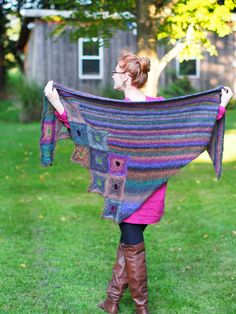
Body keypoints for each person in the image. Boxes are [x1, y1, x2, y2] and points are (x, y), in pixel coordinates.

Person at [44, 54, 233, 314]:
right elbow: (86, 132)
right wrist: (57, 102)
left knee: (132, 246)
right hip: (124, 190)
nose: (111, 75)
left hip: (148, 190)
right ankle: (111, 302)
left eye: (115, 71)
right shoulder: (116, 113)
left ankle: (140, 308)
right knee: (129, 242)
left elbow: (189, 130)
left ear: (126, 77)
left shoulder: (158, 108)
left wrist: (219, 105)